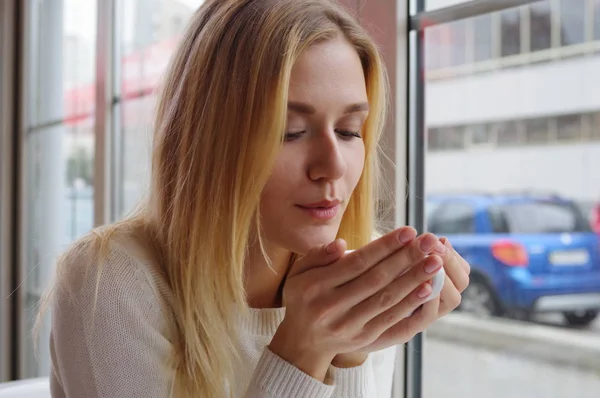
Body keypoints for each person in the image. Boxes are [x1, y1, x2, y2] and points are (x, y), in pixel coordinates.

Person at [40, 0, 470, 397]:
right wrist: (304, 349)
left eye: (349, 130)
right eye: (291, 132)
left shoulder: (358, 277)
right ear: (209, 139)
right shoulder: (110, 283)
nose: (333, 166)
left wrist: (349, 348)